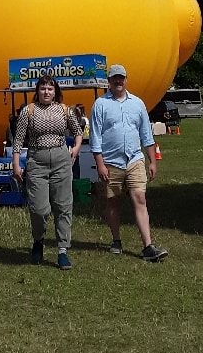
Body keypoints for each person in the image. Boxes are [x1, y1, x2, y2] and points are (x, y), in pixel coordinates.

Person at [89, 63, 168, 262]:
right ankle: (116, 240)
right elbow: (96, 137)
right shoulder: (100, 105)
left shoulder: (137, 104)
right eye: (114, 78)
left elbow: (146, 135)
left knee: (140, 199)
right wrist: (100, 164)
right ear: (108, 81)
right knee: (113, 202)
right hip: (111, 162)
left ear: (126, 80)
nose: (118, 81)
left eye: (121, 78)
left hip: (134, 159)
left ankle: (148, 247)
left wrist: (152, 161)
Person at [12, 76, 82, 271]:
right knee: (39, 209)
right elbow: (18, 140)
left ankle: (62, 251)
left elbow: (78, 131)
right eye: (43, 88)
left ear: (55, 91)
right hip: (37, 161)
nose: (46, 92)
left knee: (63, 206)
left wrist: (75, 148)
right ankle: (38, 240)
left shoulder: (64, 110)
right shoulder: (29, 111)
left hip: (61, 160)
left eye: (50, 88)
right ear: (37, 91)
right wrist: (16, 164)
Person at [71, 103, 90, 178]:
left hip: (76, 145)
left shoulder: (83, 120)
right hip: (76, 145)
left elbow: (85, 131)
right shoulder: (83, 120)